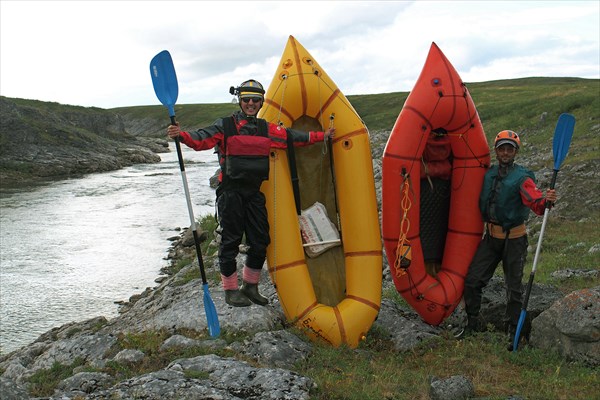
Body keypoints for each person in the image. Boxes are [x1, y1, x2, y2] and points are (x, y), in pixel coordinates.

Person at [167, 79, 335, 307]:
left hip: (254, 194)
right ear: (240, 100)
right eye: (246, 99)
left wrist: (321, 136)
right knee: (230, 242)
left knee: (260, 241)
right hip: (230, 193)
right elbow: (201, 139)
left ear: (261, 102)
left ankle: (250, 286)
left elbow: (293, 137)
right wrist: (181, 135)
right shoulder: (225, 126)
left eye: (255, 100)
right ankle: (230, 290)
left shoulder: (267, 130)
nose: (250, 104)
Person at [459, 130, 557, 349]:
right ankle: (472, 323)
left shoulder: (522, 177)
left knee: (513, 289)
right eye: (501, 148)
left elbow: (535, 200)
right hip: (491, 238)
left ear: (515, 152)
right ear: (496, 150)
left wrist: (545, 201)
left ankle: (514, 333)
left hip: (514, 239)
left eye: (509, 149)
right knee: (473, 280)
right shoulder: (488, 174)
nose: (505, 152)